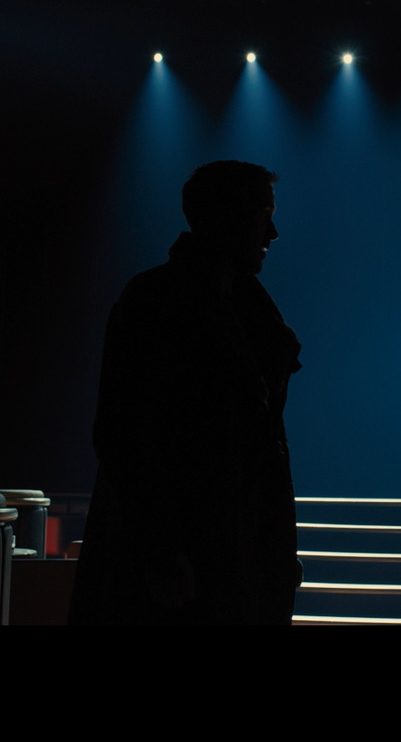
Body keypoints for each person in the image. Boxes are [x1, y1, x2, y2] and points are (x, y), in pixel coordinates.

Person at [70, 160, 302, 624]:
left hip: (228, 553)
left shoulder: (243, 307)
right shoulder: (160, 303)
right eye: (263, 214)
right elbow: (123, 436)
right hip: (193, 560)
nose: (272, 232)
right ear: (227, 216)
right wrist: (162, 552)